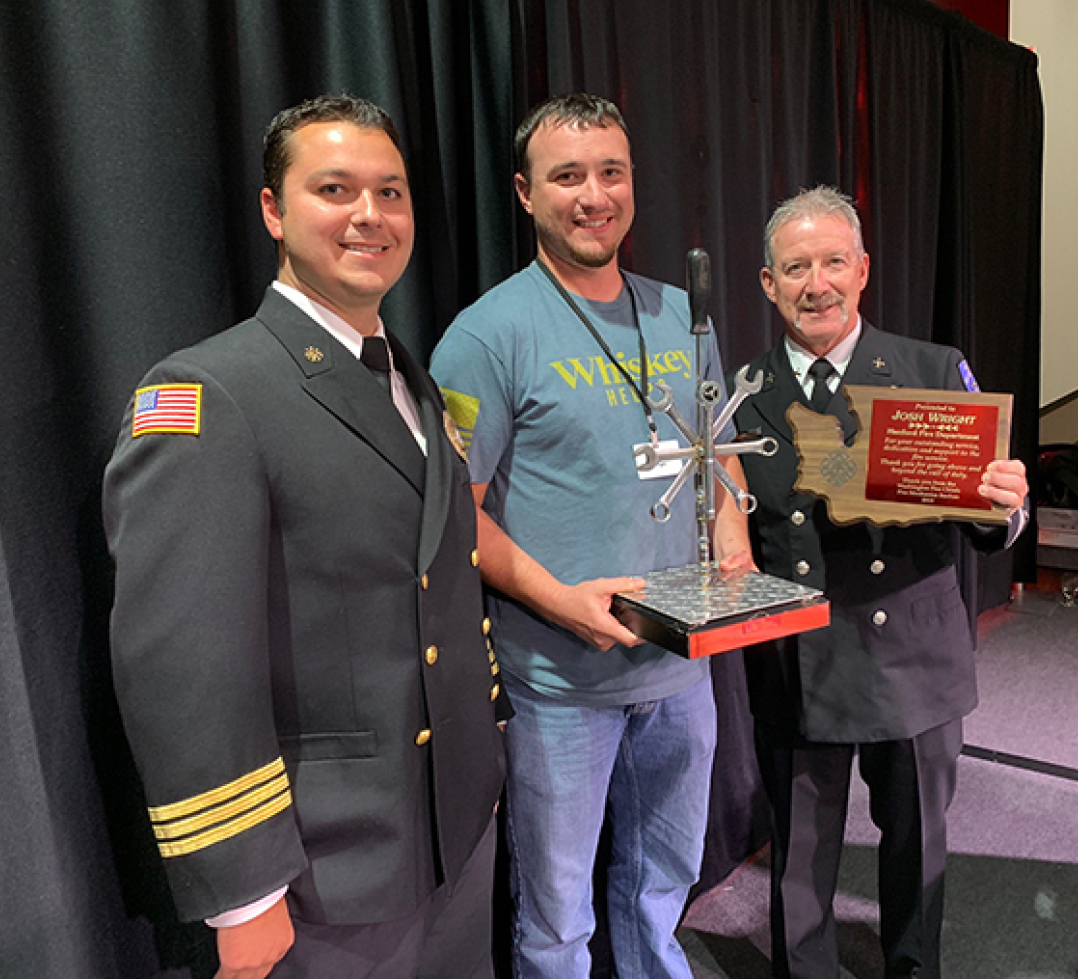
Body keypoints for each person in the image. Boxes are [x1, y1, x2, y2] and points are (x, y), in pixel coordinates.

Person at [104, 93, 507, 979]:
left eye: (391, 192)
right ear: (274, 211)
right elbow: (183, 664)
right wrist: (243, 892)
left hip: (452, 829)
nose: (371, 215)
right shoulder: (211, 394)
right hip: (324, 870)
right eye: (335, 188)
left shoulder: (412, 379)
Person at [428, 93, 753, 978]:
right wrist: (560, 602)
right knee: (557, 914)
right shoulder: (486, 336)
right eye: (567, 175)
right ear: (527, 194)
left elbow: (716, 450)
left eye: (611, 171)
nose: (593, 194)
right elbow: (456, 516)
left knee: (662, 883)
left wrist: (734, 547)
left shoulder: (683, 315)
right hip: (557, 686)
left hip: (682, 669)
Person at [734, 186, 1029, 979]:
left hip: (914, 653)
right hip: (799, 656)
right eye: (795, 267)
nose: (816, 283)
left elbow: (988, 519)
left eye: (834, 261)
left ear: (863, 271)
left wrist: (1010, 504)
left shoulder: (934, 370)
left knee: (919, 844)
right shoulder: (740, 393)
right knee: (800, 853)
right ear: (768, 283)